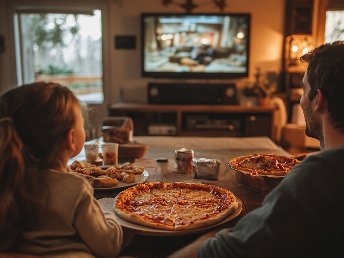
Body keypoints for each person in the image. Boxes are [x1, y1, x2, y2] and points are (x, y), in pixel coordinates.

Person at [168, 41, 344, 258]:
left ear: (317, 100)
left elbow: (220, 251)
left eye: (303, 89)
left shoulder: (316, 178)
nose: (300, 99)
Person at [0, 82, 123, 257]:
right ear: (71, 138)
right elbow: (108, 247)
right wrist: (109, 215)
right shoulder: (75, 188)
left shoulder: (6, 179)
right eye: (82, 123)